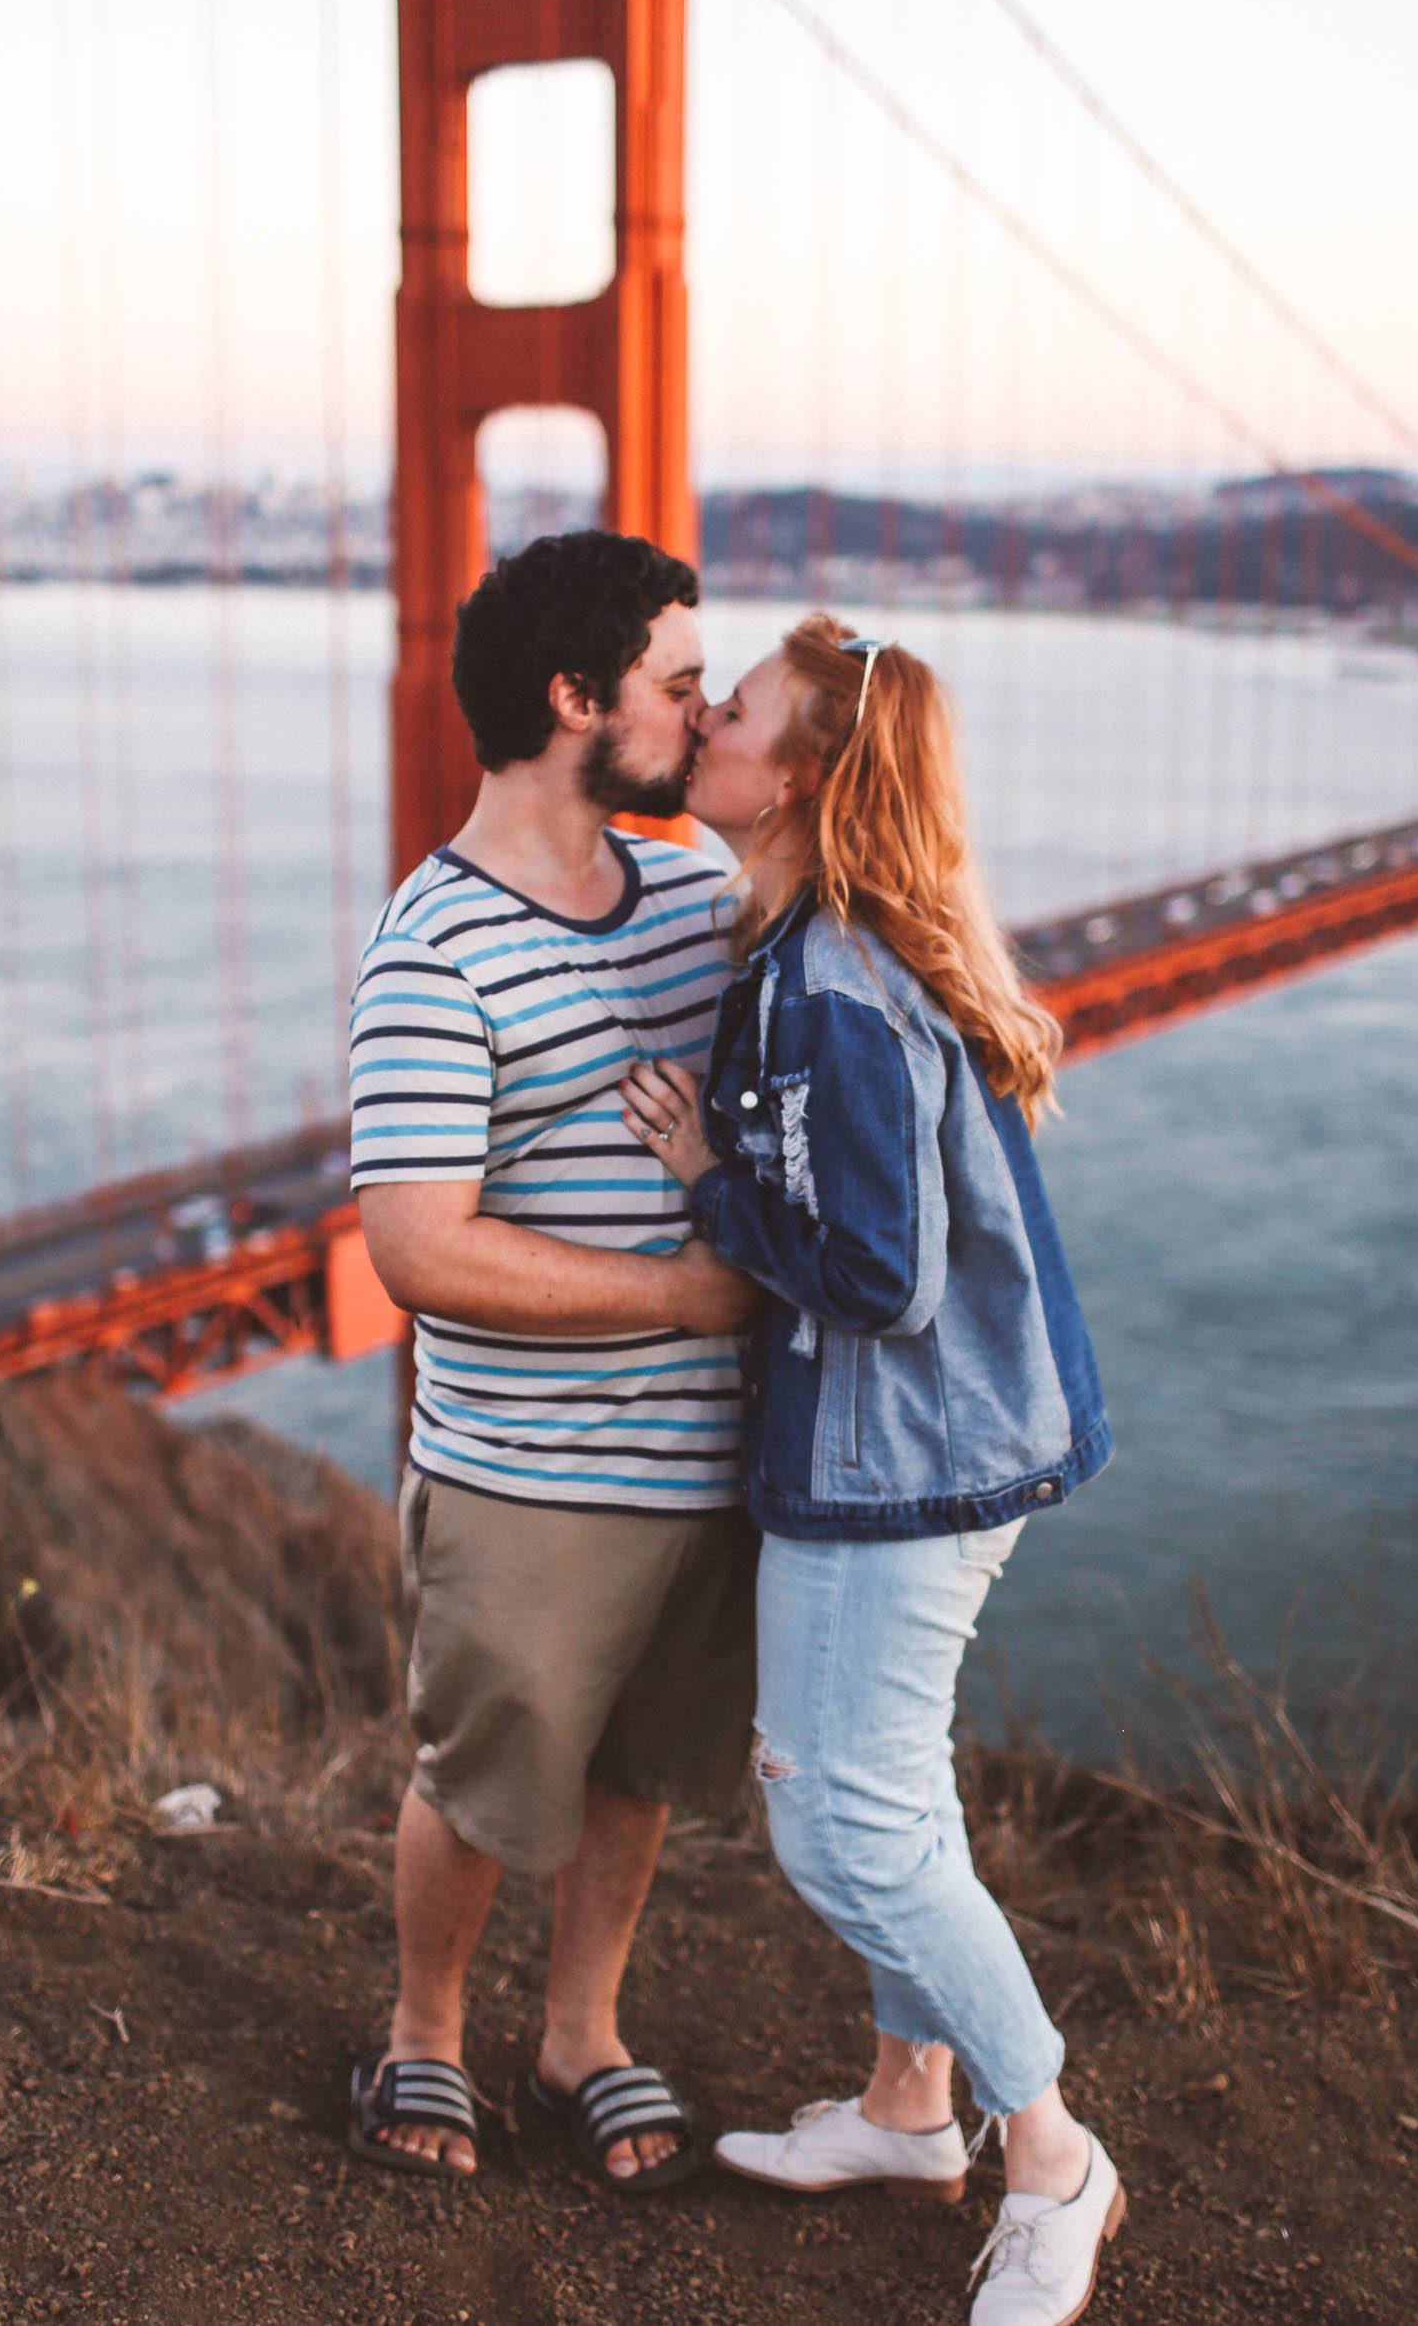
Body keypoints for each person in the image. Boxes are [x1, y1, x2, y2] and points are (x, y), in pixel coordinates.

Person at [619, 614, 1124, 2322]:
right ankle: (914, 2108)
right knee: (893, 1795)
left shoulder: (832, 985)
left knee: (844, 1831)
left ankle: (1052, 2154)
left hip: (899, 1461)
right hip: (924, 1447)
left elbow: (877, 1277)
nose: (701, 728)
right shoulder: (812, 943)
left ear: (806, 775)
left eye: (734, 711)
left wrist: (709, 1182)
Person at [346, 530, 760, 2192]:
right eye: (676, 683)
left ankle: (581, 2031)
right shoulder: (432, 949)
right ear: (574, 698)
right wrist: (682, 1298)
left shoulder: (697, 892)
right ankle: (424, 2034)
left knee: (638, 1770)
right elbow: (416, 1247)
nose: (705, 709)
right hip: (529, 1476)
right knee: (483, 1775)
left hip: (708, 1465)